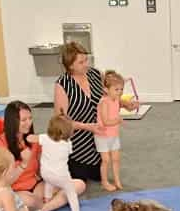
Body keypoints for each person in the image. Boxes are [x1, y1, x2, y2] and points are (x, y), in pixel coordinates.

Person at [54, 42, 137, 183]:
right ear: (70, 65)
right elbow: (61, 121)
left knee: (99, 174)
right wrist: (87, 127)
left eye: (86, 59)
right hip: (78, 145)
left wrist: (125, 105)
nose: (86, 64)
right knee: (79, 182)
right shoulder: (62, 84)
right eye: (81, 62)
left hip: (100, 140)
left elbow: (109, 98)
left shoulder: (94, 74)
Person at [0, 101, 85, 211]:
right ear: (12, 122)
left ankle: (41, 210)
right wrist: (23, 164)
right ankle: (50, 204)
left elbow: (41, 171)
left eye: (30, 118)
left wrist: (55, 156)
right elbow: (2, 183)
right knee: (29, 200)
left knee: (79, 184)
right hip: (15, 191)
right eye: (23, 120)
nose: (29, 123)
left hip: (36, 187)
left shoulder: (34, 140)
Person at [26, 113, 80, 211]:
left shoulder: (44, 138)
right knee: (71, 191)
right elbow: (69, 153)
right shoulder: (68, 143)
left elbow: (30, 138)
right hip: (61, 176)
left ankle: (47, 199)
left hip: (45, 173)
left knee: (49, 183)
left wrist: (31, 137)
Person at [94, 70, 124, 191]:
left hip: (113, 135)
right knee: (105, 160)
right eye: (116, 89)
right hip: (102, 136)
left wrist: (117, 121)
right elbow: (106, 121)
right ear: (106, 90)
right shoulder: (103, 102)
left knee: (116, 158)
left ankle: (117, 179)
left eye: (121, 89)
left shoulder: (116, 100)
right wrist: (118, 120)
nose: (120, 92)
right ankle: (105, 181)